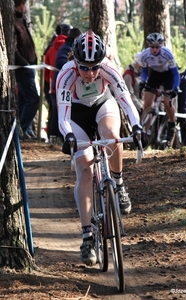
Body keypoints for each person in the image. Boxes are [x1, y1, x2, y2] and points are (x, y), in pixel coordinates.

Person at [56, 31, 142, 266]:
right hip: (76, 115)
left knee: (113, 137)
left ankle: (119, 182)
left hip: (103, 105)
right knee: (84, 169)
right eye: (84, 67)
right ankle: (87, 236)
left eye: (95, 67)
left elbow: (125, 99)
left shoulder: (108, 68)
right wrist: (70, 136)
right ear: (76, 62)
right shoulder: (66, 74)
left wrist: (136, 126)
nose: (91, 73)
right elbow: (62, 116)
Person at [139, 32, 180, 147]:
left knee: (167, 102)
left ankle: (172, 123)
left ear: (161, 46)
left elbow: (176, 74)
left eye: (157, 47)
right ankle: (145, 132)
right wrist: (143, 81)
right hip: (155, 75)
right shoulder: (145, 55)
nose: (155, 49)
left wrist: (175, 88)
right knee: (147, 104)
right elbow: (145, 71)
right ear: (148, 45)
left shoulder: (167, 54)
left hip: (168, 76)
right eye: (152, 46)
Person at [14, 0, 40, 140]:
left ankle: (24, 129)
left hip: (29, 66)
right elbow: (14, 49)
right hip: (23, 68)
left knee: (24, 100)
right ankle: (22, 129)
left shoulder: (21, 19)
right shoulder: (13, 22)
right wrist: (24, 64)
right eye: (24, 4)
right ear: (21, 4)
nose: (25, 7)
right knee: (33, 100)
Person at [44, 24, 72, 143]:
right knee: (67, 110)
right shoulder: (70, 47)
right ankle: (64, 136)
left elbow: (46, 70)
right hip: (68, 84)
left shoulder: (50, 48)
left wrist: (48, 81)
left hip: (52, 84)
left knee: (54, 109)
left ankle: (52, 136)